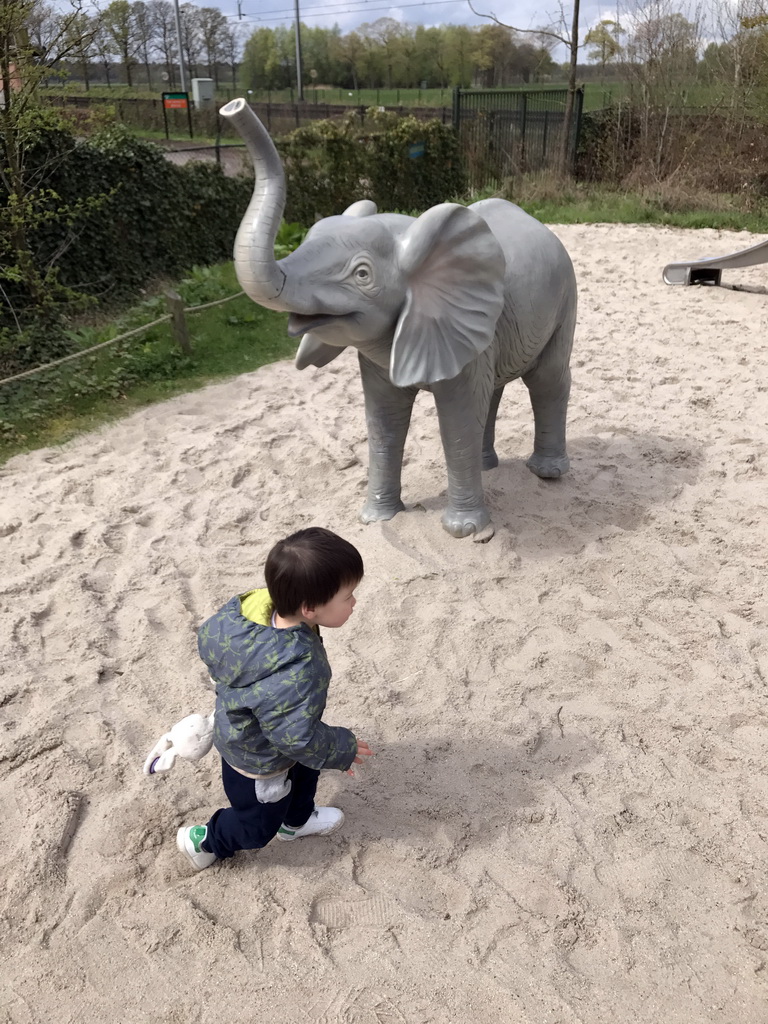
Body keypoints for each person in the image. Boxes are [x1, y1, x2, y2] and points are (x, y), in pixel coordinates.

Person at [176, 527, 373, 871]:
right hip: (256, 759)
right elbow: (294, 737)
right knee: (256, 825)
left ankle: (295, 823)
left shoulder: (257, 609)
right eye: (348, 596)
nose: (354, 602)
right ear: (310, 608)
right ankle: (206, 839)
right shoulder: (296, 667)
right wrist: (341, 747)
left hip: (272, 726)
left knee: (305, 771)